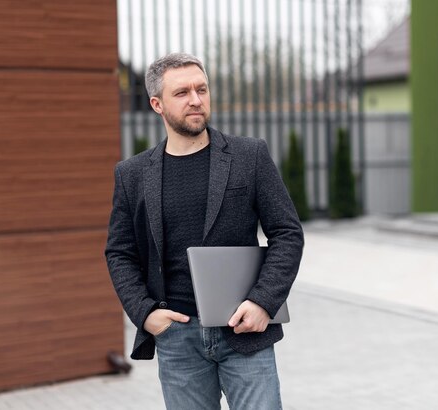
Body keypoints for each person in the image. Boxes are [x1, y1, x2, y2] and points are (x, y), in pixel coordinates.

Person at [105, 52, 304, 409]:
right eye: (182, 93)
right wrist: (145, 313)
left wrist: (263, 302)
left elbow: (287, 233)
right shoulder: (132, 175)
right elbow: (120, 252)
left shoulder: (250, 156)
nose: (196, 100)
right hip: (176, 337)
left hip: (245, 330)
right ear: (157, 104)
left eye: (202, 89)